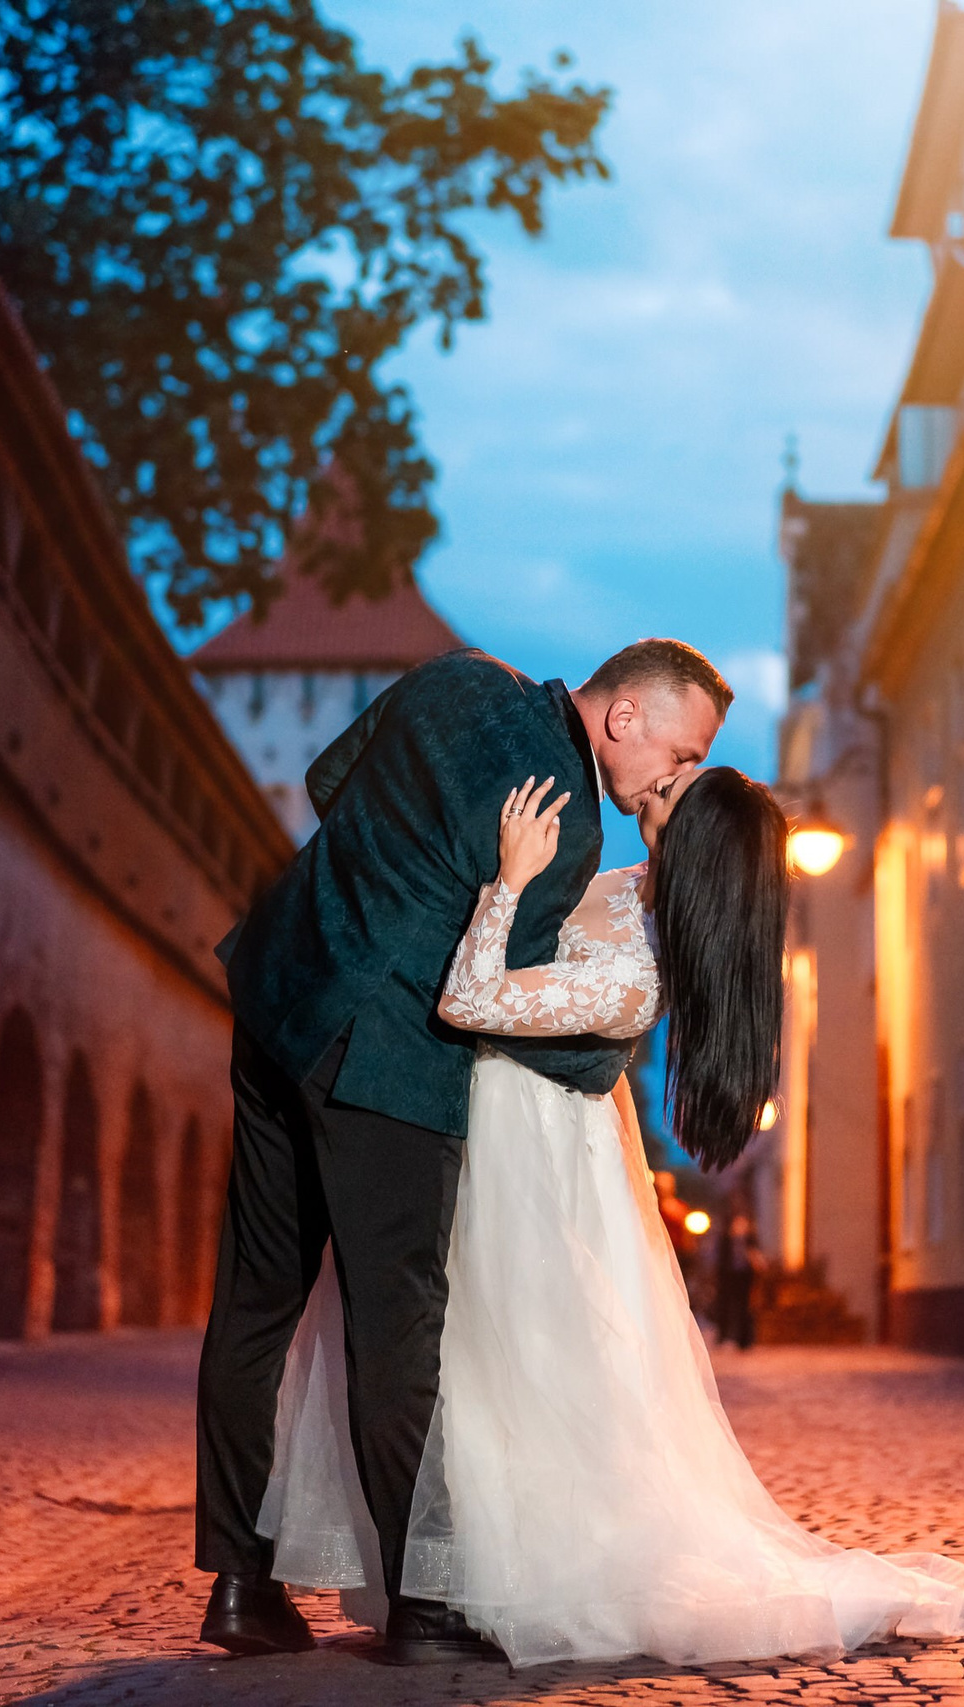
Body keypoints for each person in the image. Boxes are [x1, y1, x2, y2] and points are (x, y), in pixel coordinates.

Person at [255, 764, 964, 1668]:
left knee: (511, 1360)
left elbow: (474, 999)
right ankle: (447, 1567)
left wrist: (512, 879)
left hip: (528, 1165)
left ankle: (498, 1573)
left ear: (698, 846)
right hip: (480, 1131)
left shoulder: (641, 971)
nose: (661, 784)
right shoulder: (623, 883)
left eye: (680, 791)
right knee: (455, 1359)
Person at [196, 640, 728, 1666]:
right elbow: (495, 1001)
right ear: (625, 716)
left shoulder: (452, 676)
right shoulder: (564, 828)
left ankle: (239, 1587)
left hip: (278, 996)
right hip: (390, 1069)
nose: (674, 773)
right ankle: (421, 1605)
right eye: (682, 747)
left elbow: (326, 784)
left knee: (257, 1297)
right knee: (399, 1328)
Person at [712, 1210, 764, 1352]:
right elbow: (719, 1259)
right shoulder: (725, 1240)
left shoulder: (750, 1240)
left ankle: (745, 1341)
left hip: (744, 1278)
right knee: (726, 1307)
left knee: (744, 1308)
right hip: (728, 1278)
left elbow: (758, 1259)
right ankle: (724, 1338)